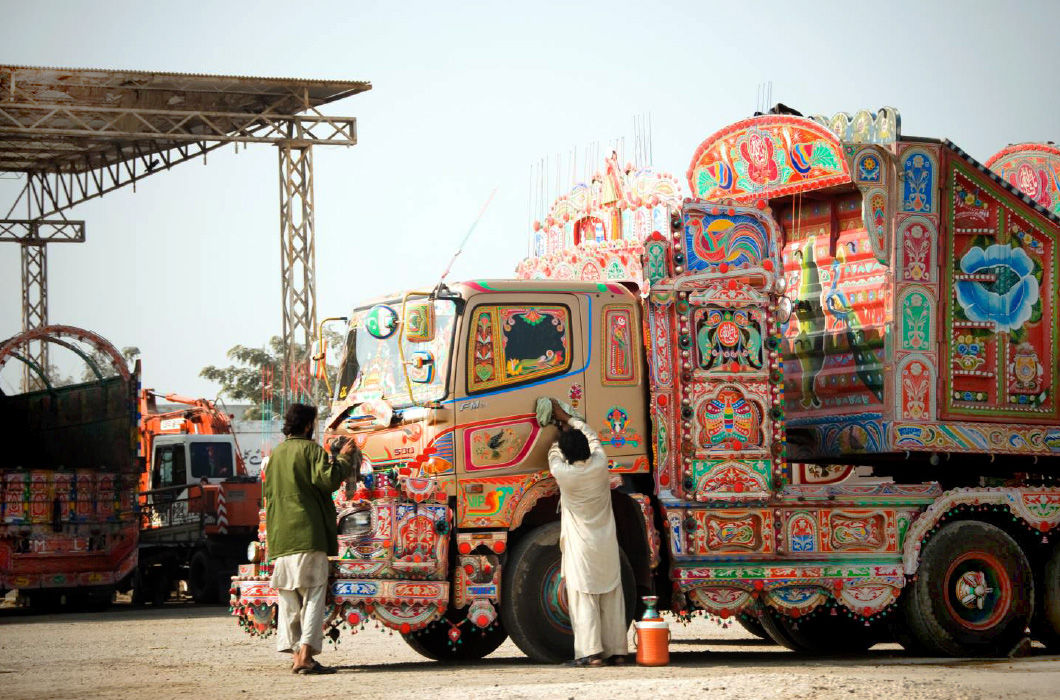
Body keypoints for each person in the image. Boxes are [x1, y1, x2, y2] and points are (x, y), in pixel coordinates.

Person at [264, 403, 359, 674]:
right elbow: (327, 481)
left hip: (281, 538)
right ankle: (306, 655)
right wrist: (342, 459)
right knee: (314, 595)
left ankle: (296, 656)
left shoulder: (276, 455)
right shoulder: (311, 450)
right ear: (307, 426)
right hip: (308, 534)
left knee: (289, 601)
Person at [546, 398, 628, 667]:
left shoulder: (565, 474)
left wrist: (558, 435)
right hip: (606, 542)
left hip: (582, 547)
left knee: (585, 599)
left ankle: (590, 653)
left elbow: (553, 455)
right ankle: (617, 651)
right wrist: (570, 420)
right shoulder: (600, 464)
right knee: (612, 596)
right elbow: (592, 437)